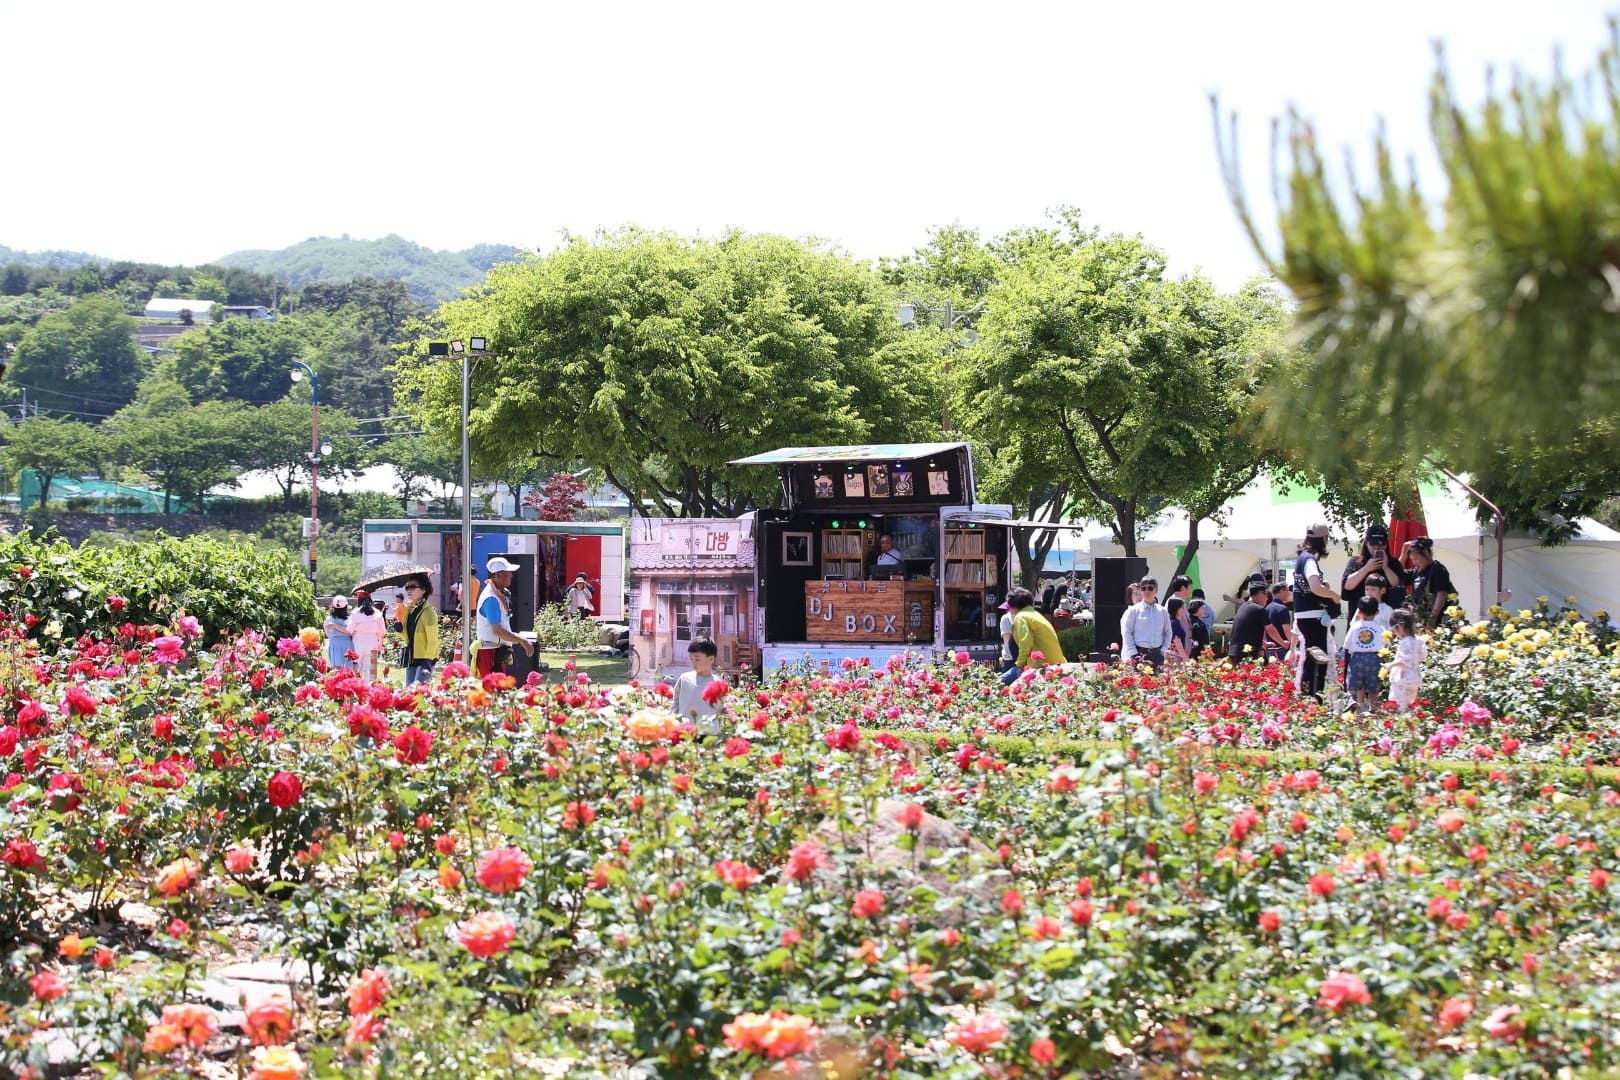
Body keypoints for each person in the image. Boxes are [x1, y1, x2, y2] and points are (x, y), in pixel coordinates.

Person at [1292, 524, 1344, 698]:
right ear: (1323, 539)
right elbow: (1315, 587)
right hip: (1313, 616)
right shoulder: (1309, 560)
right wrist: (1333, 595)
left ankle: (1307, 696)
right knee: (1319, 659)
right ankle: (1314, 699)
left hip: (1303, 615)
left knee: (1311, 657)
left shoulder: (1301, 558)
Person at [475, 556, 535, 677]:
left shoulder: (497, 594)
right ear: (497, 575)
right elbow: (498, 630)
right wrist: (523, 641)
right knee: (492, 692)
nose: (511, 576)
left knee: (498, 692)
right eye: (508, 573)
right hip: (490, 653)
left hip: (497, 652)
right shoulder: (491, 599)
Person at [1342, 524, 1406, 624]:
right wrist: (1366, 568)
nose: (1376, 548)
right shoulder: (1356, 562)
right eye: (1373, 544)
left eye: (1380, 544)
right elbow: (1347, 586)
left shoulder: (1393, 563)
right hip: (1359, 620)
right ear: (1366, 543)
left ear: (1386, 544)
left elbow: (1397, 585)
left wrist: (1386, 568)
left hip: (1385, 620)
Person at [1001, 586, 1064, 686]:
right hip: (1058, 664)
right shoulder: (1036, 614)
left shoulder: (1021, 617)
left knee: (997, 684)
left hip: (1042, 666)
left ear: (1012, 604)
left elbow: (1025, 643)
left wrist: (1019, 664)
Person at [672, 639, 724, 736]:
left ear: (711, 659)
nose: (693, 663)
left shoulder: (717, 684)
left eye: (697, 659)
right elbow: (675, 704)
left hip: (709, 735)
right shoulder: (684, 679)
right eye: (691, 659)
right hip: (685, 733)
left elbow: (721, 712)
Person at [394, 577, 439, 686]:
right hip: (412, 658)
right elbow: (409, 637)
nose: (409, 590)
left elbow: (433, 639)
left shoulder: (429, 612)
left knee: (420, 695)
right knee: (409, 695)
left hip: (425, 659)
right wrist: (399, 630)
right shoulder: (409, 610)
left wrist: (428, 660)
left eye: (413, 587)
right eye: (407, 587)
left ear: (423, 590)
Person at [1344, 596, 1386, 711]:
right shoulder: (1380, 628)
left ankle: (1360, 704)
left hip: (1357, 657)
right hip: (1374, 658)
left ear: (1359, 611)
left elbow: (1346, 645)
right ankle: (1373, 706)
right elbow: (1386, 644)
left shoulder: (1355, 626)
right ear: (1377, 612)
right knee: (1374, 684)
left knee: (1359, 682)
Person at [1120, 577, 1172, 670]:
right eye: (1143, 588)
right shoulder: (1133, 611)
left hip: (1157, 654)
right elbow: (1127, 632)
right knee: (1139, 683)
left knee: (1158, 683)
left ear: (1156, 590)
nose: (1147, 591)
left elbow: (1168, 632)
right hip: (1139, 653)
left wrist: (1163, 649)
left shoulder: (1162, 611)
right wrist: (1133, 652)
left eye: (1150, 588)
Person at [1404, 537, 1455, 625]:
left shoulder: (1438, 569)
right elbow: (1398, 573)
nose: (1414, 562)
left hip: (1437, 619)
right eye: (1412, 560)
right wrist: (1403, 553)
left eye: (1416, 558)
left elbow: (1441, 595)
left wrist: (1433, 618)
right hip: (1421, 618)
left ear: (1426, 554)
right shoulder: (1416, 571)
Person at [1386, 608, 1426, 709]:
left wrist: (1391, 665)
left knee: (1400, 706)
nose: (1395, 633)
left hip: (1403, 678)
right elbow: (1422, 656)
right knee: (1411, 703)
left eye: (1395, 630)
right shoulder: (1419, 640)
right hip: (1415, 676)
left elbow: (1405, 661)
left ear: (1400, 626)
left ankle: (1402, 722)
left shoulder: (1405, 642)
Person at [1227, 580, 1271, 663]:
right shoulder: (1259, 609)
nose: (1267, 598)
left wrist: (1263, 644)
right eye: (1266, 594)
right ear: (1261, 593)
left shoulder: (1244, 606)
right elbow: (1270, 629)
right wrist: (1284, 643)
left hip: (1235, 651)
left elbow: (1248, 631)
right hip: (1245, 654)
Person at [347, 591, 386, 682]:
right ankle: (370, 689)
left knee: (356, 668)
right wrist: (380, 645)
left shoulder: (355, 613)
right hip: (373, 643)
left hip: (357, 643)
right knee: (371, 670)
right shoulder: (377, 613)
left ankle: (356, 688)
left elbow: (349, 630)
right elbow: (382, 632)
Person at [1263, 582, 1293, 664]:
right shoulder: (1282, 609)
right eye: (1287, 590)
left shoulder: (1267, 608)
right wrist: (1294, 645)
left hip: (1270, 648)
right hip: (1282, 648)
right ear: (1281, 591)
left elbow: (1264, 629)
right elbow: (1286, 630)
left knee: (1272, 674)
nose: (1289, 593)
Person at [323, 596, 355, 671]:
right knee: (348, 668)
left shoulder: (329, 618)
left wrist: (334, 627)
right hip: (347, 643)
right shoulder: (349, 618)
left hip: (334, 643)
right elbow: (349, 631)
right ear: (346, 606)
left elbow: (327, 632)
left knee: (336, 669)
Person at [1166, 596, 1192, 665]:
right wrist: (1185, 657)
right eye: (1182, 608)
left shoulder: (1173, 622)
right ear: (1176, 609)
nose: (1183, 610)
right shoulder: (1175, 623)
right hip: (1175, 656)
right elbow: (1177, 641)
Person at [997, 600, 1016, 675]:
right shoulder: (1023, 617)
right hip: (1020, 656)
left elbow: (1007, 638)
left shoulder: (1005, 618)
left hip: (1009, 657)